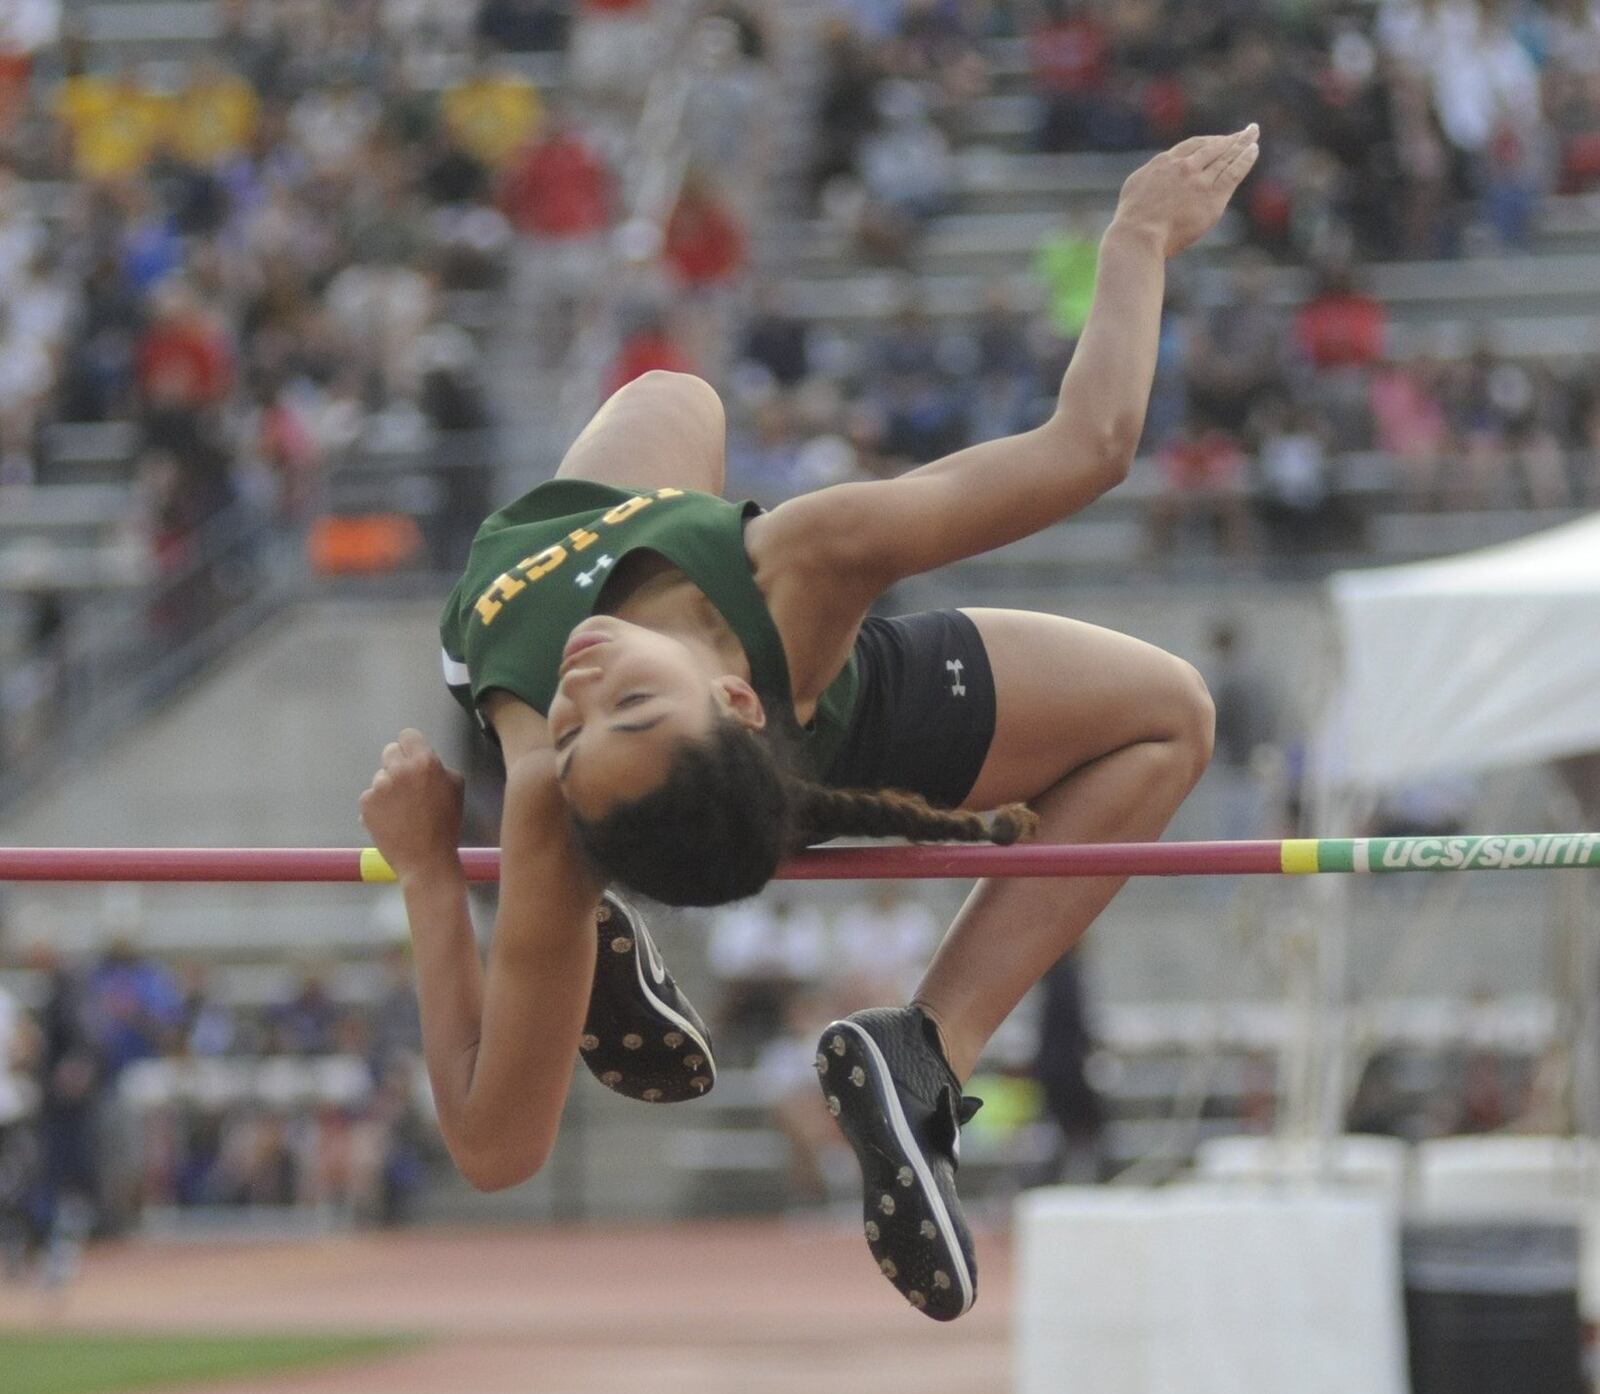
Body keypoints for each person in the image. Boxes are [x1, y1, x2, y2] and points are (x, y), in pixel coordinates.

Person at [359, 126, 1257, 1323]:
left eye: (583, 727)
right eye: (621, 706)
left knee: (677, 392)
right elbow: (1084, 451)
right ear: (732, 696)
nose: (574, 691)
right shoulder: (788, 573)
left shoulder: (554, 791)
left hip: (582, 596)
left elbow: (488, 1139)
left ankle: (635, 969)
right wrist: (1138, 235)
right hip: (847, 709)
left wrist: (435, 864)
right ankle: (927, 1049)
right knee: (1171, 718)